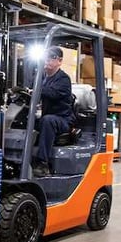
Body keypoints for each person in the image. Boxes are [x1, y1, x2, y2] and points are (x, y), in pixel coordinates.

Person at [33, 46, 75, 177]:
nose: (47, 60)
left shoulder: (63, 79)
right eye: (46, 57)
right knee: (25, 120)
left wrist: (33, 90)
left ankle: (43, 163)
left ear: (60, 61)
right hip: (49, 116)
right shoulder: (42, 78)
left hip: (63, 120)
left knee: (47, 121)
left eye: (51, 57)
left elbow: (52, 93)